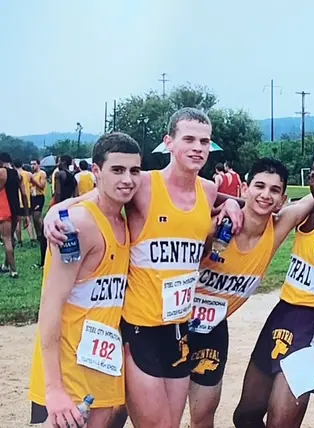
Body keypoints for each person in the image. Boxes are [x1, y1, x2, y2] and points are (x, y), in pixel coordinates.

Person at [44, 107, 244, 428]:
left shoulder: (207, 191)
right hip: (140, 330)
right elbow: (98, 195)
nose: (197, 147)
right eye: (189, 139)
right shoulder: (144, 184)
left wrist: (232, 202)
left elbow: (223, 201)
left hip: (179, 329)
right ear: (169, 142)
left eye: (204, 141)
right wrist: (55, 213)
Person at [188, 157, 314, 428]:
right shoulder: (220, 225)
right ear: (245, 188)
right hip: (270, 315)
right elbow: (190, 189)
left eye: (274, 190)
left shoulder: (287, 225)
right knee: (244, 417)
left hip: (310, 323)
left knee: (277, 423)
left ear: (282, 199)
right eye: (259, 186)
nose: (265, 195)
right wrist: (231, 202)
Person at [28, 132, 142, 428]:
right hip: (69, 367)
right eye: (117, 170)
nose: (127, 179)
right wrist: (54, 389)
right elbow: (50, 306)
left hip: (103, 362)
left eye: (134, 171)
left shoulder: (125, 219)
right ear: (96, 172)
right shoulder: (77, 225)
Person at [0, 153, 19, 278]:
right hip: (14, 208)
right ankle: (6, 265)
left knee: (7, 239)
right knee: (11, 239)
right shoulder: (16, 173)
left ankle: (13, 270)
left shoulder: (2, 172)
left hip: (3, 207)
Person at [30, 158, 48, 269]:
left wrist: (33, 181)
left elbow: (42, 186)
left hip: (39, 197)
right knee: (33, 218)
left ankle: (42, 234)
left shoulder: (42, 174)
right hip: (32, 196)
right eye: (31, 164)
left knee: (37, 217)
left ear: (38, 164)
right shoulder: (32, 174)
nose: (32, 166)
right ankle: (38, 236)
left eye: (34, 164)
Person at [14, 158, 36, 244]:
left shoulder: (13, 174)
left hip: (16, 201)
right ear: (22, 164)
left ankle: (19, 241)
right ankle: (32, 238)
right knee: (28, 219)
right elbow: (34, 184)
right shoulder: (28, 174)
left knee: (18, 222)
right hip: (26, 200)